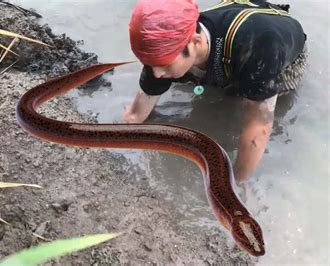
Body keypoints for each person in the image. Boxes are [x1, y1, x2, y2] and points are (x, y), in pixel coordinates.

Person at [123, 0, 307, 183]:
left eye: (164, 64)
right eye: (150, 64)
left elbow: (259, 128)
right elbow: (135, 115)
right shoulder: (162, 48)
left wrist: (233, 184)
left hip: (272, 49)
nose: (155, 73)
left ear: (195, 42)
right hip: (233, 28)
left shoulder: (260, 48)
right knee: (187, 77)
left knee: (241, 98)